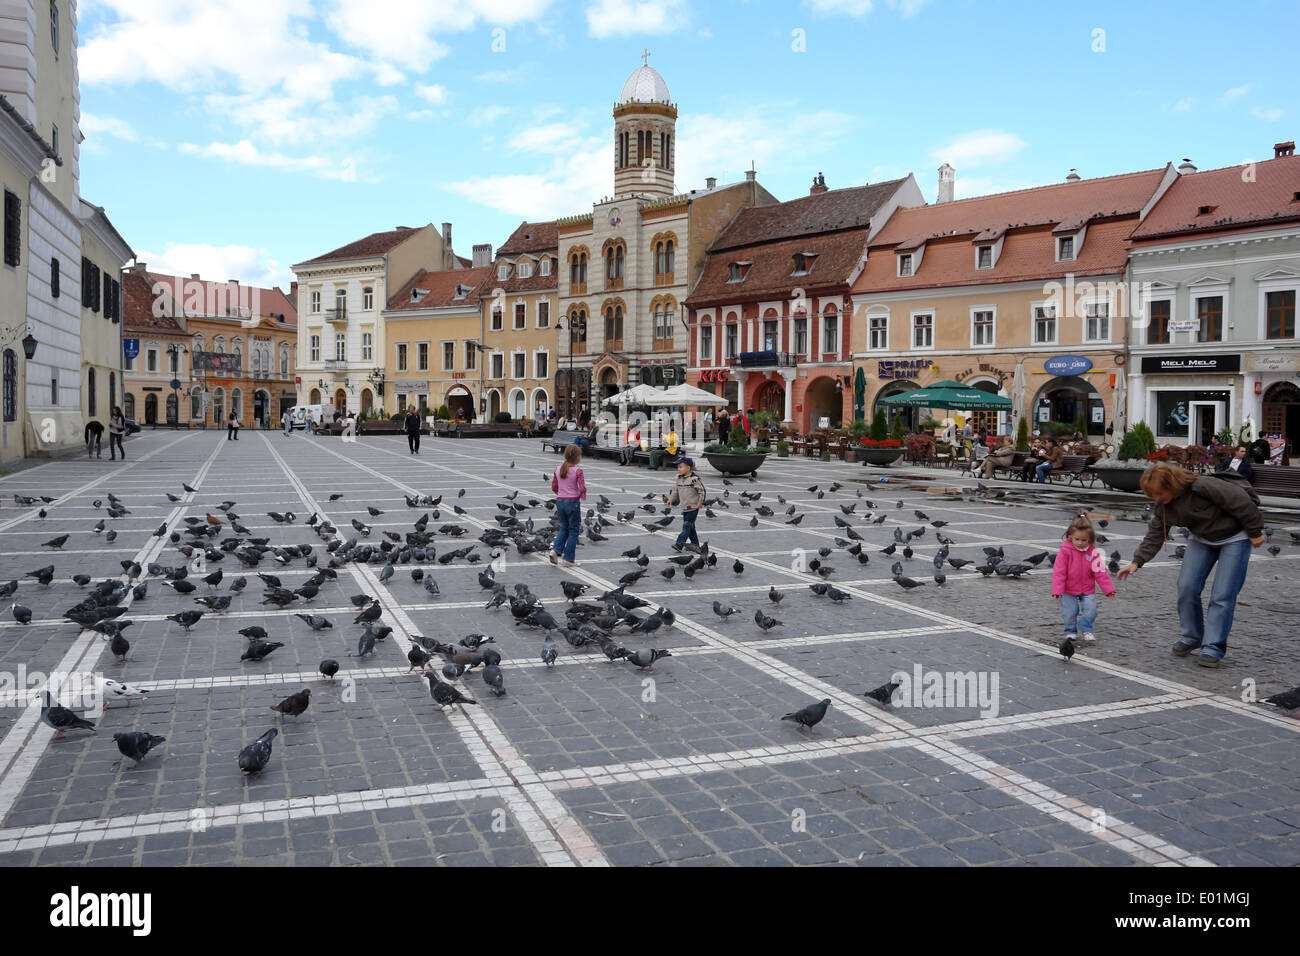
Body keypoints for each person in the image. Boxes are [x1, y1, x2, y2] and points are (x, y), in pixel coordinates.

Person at [1117, 463, 1264, 667]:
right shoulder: (1164, 506)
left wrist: (1255, 532)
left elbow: (1241, 503)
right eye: (1153, 495)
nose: (1157, 499)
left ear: (1172, 484)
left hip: (1234, 537)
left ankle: (1213, 647)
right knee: (1186, 586)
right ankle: (1192, 636)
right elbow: (1156, 534)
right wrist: (1137, 561)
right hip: (1202, 539)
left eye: (1160, 493)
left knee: (1222, 595)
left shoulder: (1203, 486)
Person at [1052, 514, 1117, 644]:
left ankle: (1087, 629)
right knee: (1070, 612)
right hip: (1068, 589)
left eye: (1084, 540)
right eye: (1077, 539)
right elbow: (1059, 572)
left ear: (1090, 539)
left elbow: (1100, 572)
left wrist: (1108, 589)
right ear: (1070, 536)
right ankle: (1070, 631)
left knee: (1091, 609)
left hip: (1087, 588)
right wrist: (1057, 590)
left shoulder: (1093, 552)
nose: (1080, 543)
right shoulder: (1065, 551)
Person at [549, 445, 587, 567]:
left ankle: (555, 551)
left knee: (564, 527)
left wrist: (562, 494)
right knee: (574, 530)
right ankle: (568, 559)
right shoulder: (578, 471)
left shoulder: (557, 469)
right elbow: (582, 488)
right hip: (572, 502)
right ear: (576, 457)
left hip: (560, 501)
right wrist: (581, 495)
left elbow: (554, 487)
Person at [669, 456, 706, 553]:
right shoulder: (678, 478)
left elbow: (702, 491)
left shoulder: (694, 479)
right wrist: (671, 499)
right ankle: (696, 546)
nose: (678, 469)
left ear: (688, 468)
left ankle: (679, 544)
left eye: (681, 467)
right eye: (678, 467)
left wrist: (700, 502)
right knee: (690, 527)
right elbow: (675, 490)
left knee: (686, 526)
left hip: (693, 506)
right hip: (684, 506)